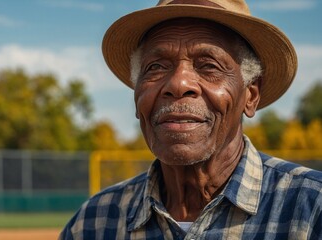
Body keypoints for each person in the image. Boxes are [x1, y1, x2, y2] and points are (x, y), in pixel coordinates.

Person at [60, 0, 322, 239]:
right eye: (156, 67)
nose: (178, 83)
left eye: (209, 65)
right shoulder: (93, 222)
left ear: (250, 96)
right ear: (138, 94)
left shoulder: (311, 210)